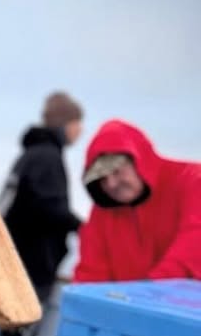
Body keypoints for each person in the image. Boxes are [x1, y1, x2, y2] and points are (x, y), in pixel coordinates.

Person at [0, 91, 84, 336]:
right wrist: (85, 227)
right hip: (31, 268)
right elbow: (49, 208)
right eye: (77, 123)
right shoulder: (47, 158)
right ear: (65, 124)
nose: (80, 130)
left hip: (14, 264)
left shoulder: (30, 156)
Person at [74, 119, 201, 283]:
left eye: (117, 171)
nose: (111, 183)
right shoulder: (101, 213)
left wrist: (151, 289)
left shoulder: (191, 180)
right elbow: (90, 275)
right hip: (134, 304)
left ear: (139, 161)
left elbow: (195, 240)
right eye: (102, 178)